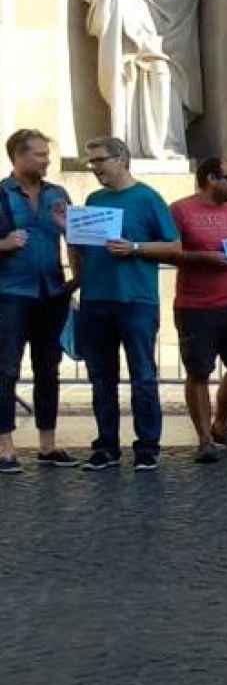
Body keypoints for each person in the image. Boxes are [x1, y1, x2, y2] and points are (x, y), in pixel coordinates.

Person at [70, 137, 181, 470]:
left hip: (136, 301)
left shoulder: (147, 198)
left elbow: (174, 247)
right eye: (91, 162)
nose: (95, 168)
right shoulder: (94, 199)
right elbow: (80, 246)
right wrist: (69, 236)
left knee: (143, 376)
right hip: (96, 300)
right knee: (101, 377)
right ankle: (106, 446)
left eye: (99, 160)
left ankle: (147, 446)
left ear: (121, 159)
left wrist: (134, 247)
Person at [169, 157, 227, 464]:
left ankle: (222, 422)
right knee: (198, 372)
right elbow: (171, 252)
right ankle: (205, 438)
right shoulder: (180, 210)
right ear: (210, 179)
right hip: (195, 306)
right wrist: (206, 258)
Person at [0, 129, 76, 473]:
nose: (47, 161)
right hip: (10, 295)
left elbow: (76, 239)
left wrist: (77, 279)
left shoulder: (57, 194)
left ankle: (47, 445)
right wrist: (3, 245)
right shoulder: (1, 194)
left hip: (52, 293)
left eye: (47, 154)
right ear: (17, 156)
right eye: (40, 155)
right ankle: (5, 448)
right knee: (5, 370)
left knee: (49, 369)